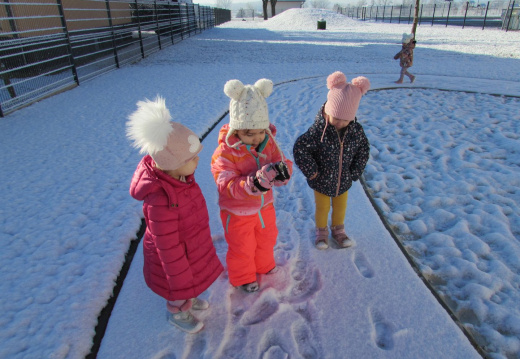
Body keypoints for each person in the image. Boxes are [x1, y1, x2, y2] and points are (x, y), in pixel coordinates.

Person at [127, 96, 223, 334]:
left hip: (190, 246)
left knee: (190, 279)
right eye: (191, 158)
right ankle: (178, 311)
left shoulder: (180, 179)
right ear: (171, 163)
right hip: (173, 258)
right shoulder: (160, 199)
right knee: (177, 287)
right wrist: (178, 278)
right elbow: (167, 247)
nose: (198, 160)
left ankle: (187, 295)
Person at [211, 78, 293, 293]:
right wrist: (255, 183)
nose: (256, 138)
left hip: (264, 207)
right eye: (249, 133)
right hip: (236, 212)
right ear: (236, 130)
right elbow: (226, 183)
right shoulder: (225, 152)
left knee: (266, 238)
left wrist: (282, 173)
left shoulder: (268, 142)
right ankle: (243, 277)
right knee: (242, 246)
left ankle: (264, 266)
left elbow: (281, 161)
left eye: (260, 131)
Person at [293, 71, 370, 250]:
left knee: (340, 207)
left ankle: (339, 231)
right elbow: (300, 149)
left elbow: (363, 151)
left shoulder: (355, 131)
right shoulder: (317, 131)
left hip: (343, 181)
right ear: (328, 112)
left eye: (345, 120)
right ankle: (321, 232)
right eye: (336, 118)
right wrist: (312, 172)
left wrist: (355, 171)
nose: (340, 124)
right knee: (322, 208)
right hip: (320, 180)